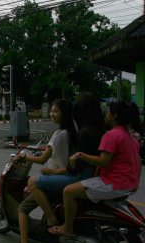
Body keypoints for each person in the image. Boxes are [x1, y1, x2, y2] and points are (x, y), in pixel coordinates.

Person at [49, 101, 141, 237]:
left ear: (114, 116)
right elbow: (138, 162)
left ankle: (67, 228)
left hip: (113, 183)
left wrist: (80, 155)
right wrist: (135, 183)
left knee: (68, 191)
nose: (105, 114)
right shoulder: (130, 137)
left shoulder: (111, 136)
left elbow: (103, 161)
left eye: (108, 112)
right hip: (128, 184)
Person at [5, 99, 76, 243]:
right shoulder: (71, 132)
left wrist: (25, 156)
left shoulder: (59, 134)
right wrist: (33, 148)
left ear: (64, 113)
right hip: (63, 175)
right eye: (51, 110)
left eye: (56, 111)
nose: (52, 114)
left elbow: (43, 158)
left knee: (22, 209)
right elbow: (51, 149)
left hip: (54, 178)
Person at [26, 93, 105, 234]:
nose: (52, 114)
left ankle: (55, 221)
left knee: (32, 182)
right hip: (91, 175)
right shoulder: (98, 130)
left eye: (55, 111)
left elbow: (77, 167)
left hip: (81, 177)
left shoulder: (84, 133)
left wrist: (55, 172)